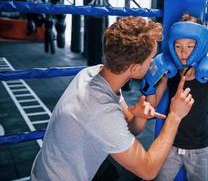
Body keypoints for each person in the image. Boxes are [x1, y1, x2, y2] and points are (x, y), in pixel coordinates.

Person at [31, 16, 195, 181]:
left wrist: (138, 116)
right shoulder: (102, 111)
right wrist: (175, 116)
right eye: (150, 59)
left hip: (47, 171)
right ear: (135, 67)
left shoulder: (93, 74)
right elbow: (148, 170)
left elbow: (129, 129)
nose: (152, 63)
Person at [141, 14, 208, 181]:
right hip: (170, 144)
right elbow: (151, 106)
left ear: (201, 45)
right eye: (178, 46)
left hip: (198, 148)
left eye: (190, 46)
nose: (184, 53)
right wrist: (149, 83)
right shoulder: (169, 73)